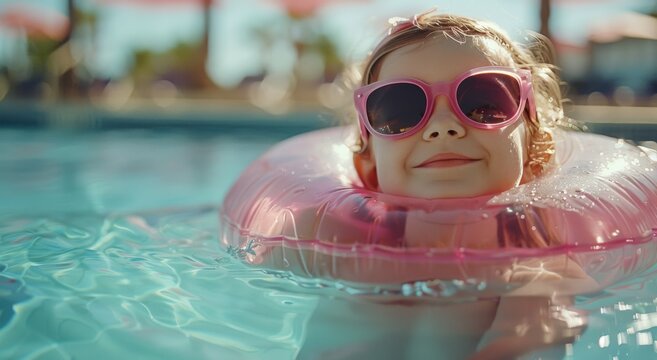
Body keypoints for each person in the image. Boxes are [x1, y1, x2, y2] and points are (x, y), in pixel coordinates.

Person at [330, 9, 586, 359]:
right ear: (368, 165)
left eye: (484, 103)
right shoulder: (341, 254)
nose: (443, 126)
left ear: (534, 149)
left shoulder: (537, 277)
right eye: (400, 110)